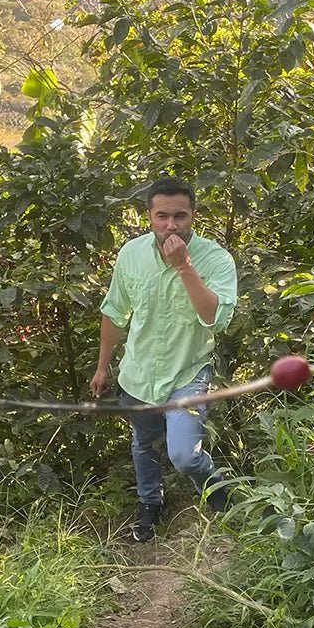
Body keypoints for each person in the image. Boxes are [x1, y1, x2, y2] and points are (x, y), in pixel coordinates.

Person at [91, 177, 238, 541]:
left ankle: (224, 497)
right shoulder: (131, 254)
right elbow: (114, 311)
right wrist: (101, 366)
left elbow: (214, 318)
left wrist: (185, 268)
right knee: (144, 444)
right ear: (149, 216)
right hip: (138, 372)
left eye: (180, 216)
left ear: (193, 216)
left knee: (185, 455)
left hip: (188, 372)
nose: (171, 225)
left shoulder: (216, 259)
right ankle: (149, 503)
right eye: (162, 216)